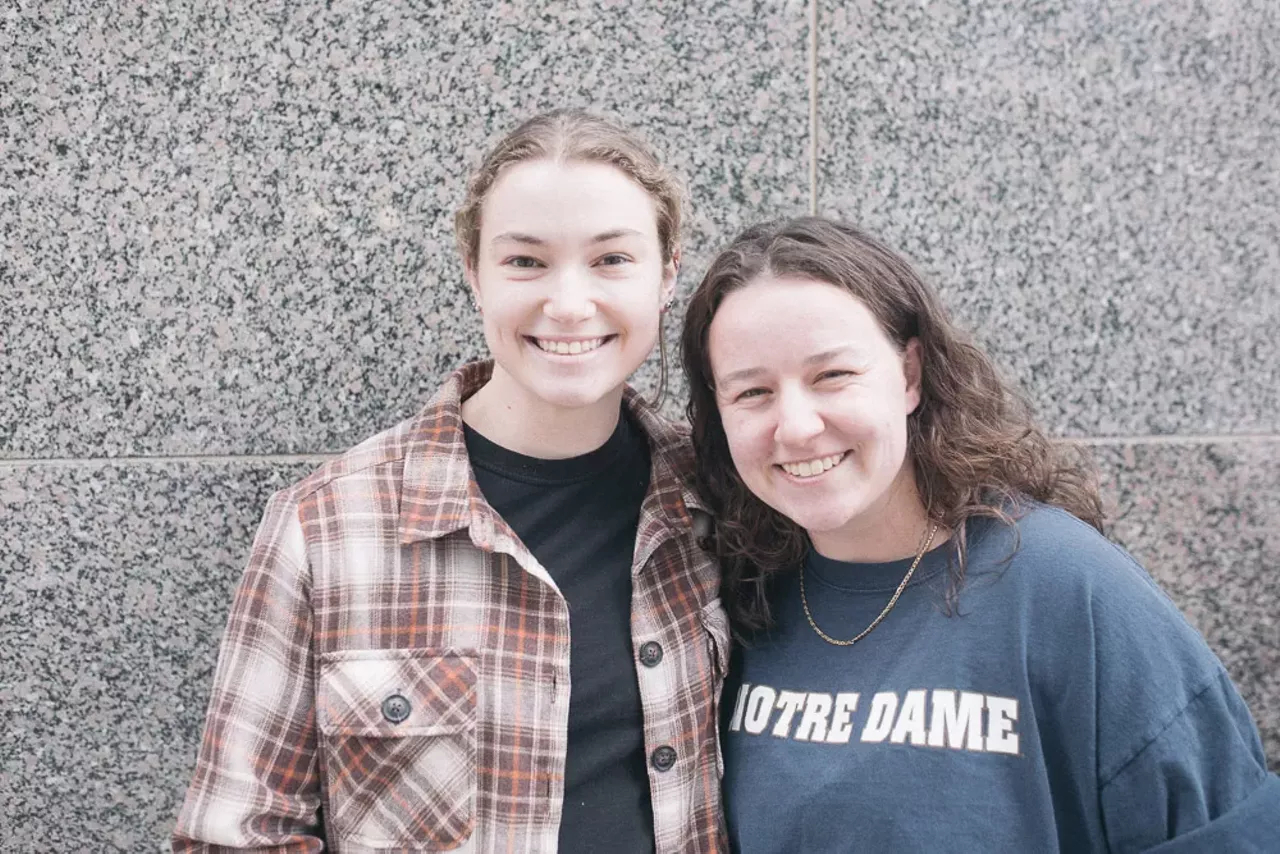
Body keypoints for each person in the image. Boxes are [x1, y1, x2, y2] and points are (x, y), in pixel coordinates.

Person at [174, 109, 730, 853]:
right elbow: (236, 836)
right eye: (525, 262)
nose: (568, 303)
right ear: (474, 274)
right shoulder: (327, 526)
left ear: (666, 275)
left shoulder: (725, 506)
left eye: (611, 260)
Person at [680, 216, 1280, 852]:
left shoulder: (1061, 583)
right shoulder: (735, 602)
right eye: (752, 392)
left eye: (832, 376)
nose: (796, 426)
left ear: (909, 374)